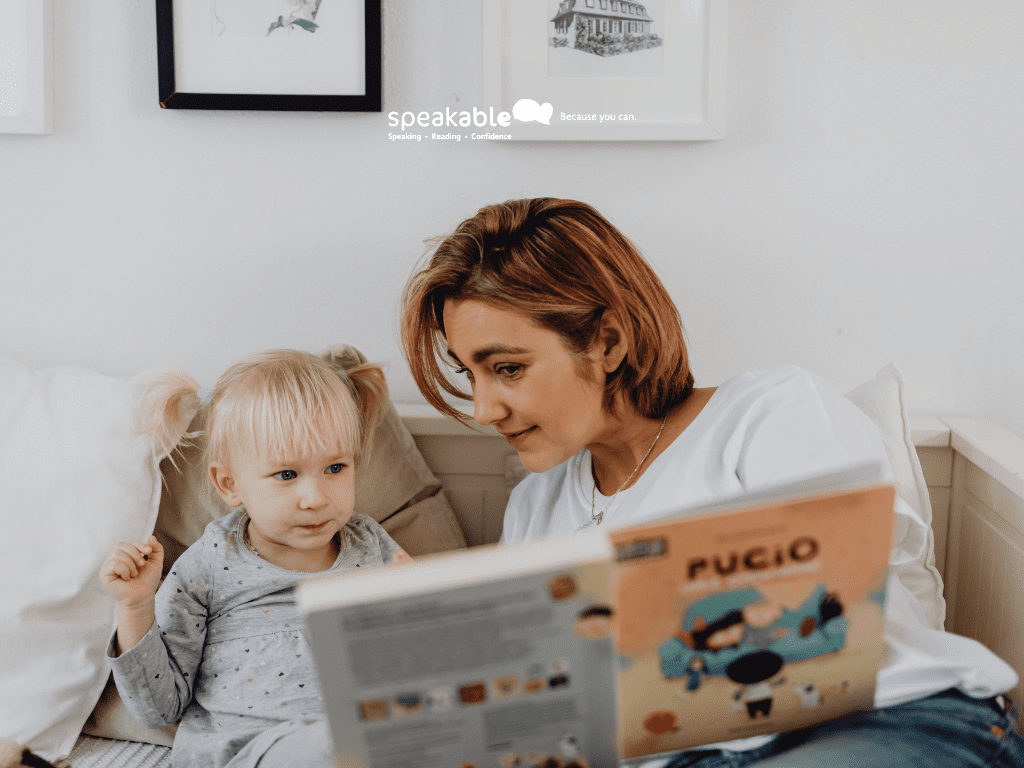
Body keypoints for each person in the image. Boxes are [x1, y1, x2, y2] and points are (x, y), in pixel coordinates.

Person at [401, 198, 1023, 767]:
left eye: (507, 368)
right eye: (470, 374)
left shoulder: (769, 412)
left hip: (873, 721)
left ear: (609, 342)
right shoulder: (533, 508)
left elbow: (831, 611)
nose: (484, 409)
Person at [99, 349, 412, 768]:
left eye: (336, 467)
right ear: (229, 483)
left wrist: (417, 607)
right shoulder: (208, 566)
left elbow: (418, 661)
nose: (316, 498)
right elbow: (159, 708)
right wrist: (136, 606)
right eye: (287, 475)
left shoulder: (371, 546)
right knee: (336, 745)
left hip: (363, 740)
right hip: (246, 752)